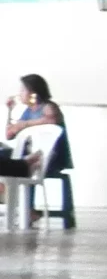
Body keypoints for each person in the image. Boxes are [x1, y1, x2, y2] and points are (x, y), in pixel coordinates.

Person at [2, 74, 73, 225]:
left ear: (33, 92)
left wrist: (24, 124)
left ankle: (27, 209)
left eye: (23, 90)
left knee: (10, 160)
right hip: (29, 156)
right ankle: (24, 207)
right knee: (4, 155)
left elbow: (52, 119)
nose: (20, 93)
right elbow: (9, 134)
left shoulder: (48, 107)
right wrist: (10, 111)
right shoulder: (27, 111)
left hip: (49, 158)